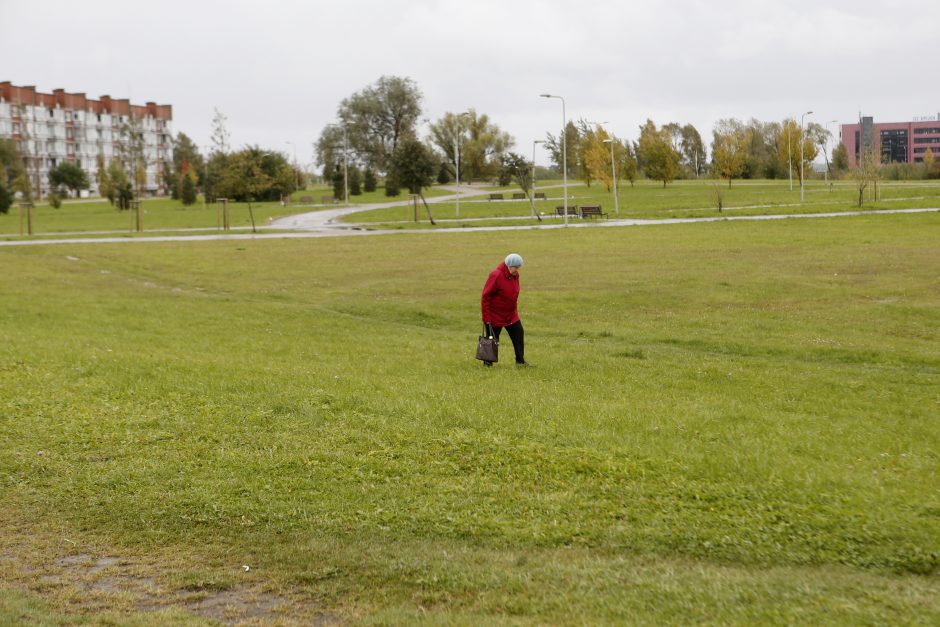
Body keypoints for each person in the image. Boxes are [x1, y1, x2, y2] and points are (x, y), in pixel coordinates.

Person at [480, 253, 530, 367]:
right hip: (495, 316)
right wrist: (487, 318)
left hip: (510, 315)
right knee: (492, 340)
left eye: (519, 267)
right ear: (509, 265)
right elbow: (485, 296)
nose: (517, 270)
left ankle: (520, 361)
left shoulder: (515, 275)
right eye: (515, 267)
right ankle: (487, 364)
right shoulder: (496, 275)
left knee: (518, 334)